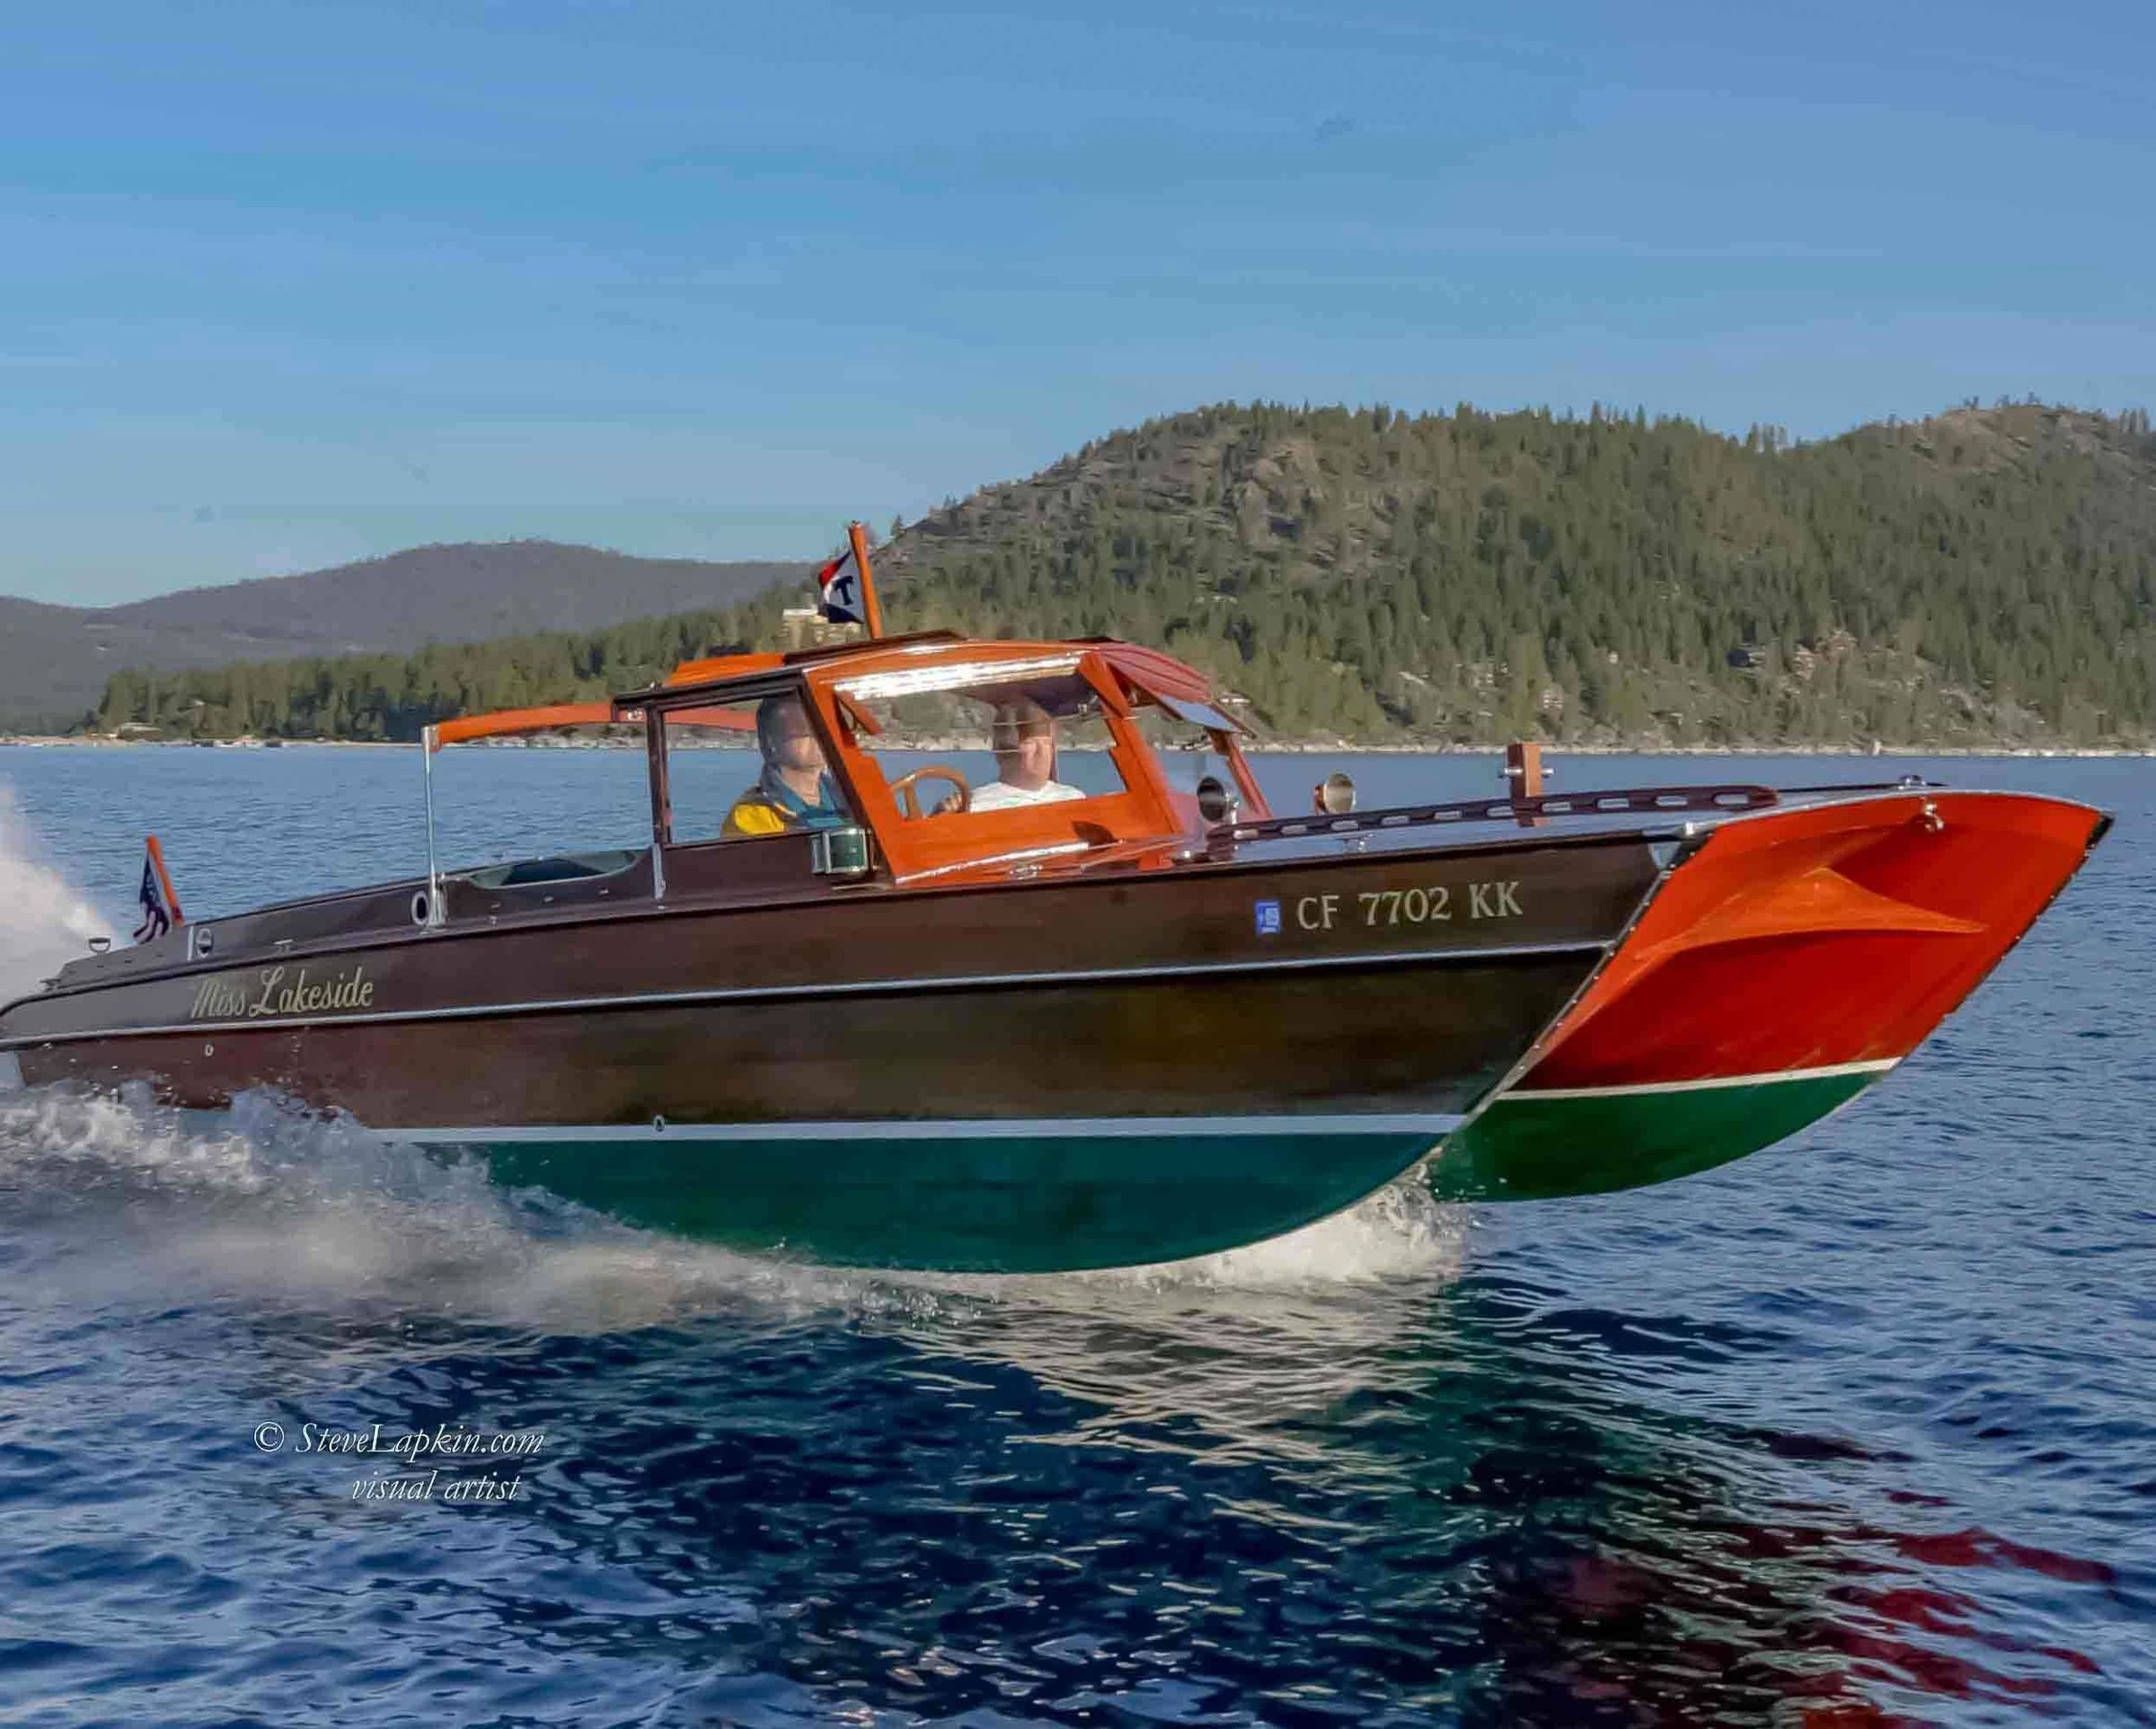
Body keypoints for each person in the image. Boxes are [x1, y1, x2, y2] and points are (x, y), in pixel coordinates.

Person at [721, 694, 850, 836]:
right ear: (771, 742)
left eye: (823, 724)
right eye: (800, 725)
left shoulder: (850, 798)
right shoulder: (749, 816)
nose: (816, 733)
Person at [967, 698, 1085, 811]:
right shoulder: (978, 805)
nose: (1041, 752)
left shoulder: (1073, 798)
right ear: (1001, 749)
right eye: (1030, 743)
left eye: (1046, 743)